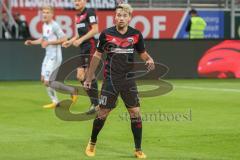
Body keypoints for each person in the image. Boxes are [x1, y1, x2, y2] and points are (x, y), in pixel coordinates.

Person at [83, 3, 155, 159]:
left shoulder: (136, 34)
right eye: (118, 15)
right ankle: (92, 142)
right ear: (114, 17)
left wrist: (148, 59)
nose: (121, 18)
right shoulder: (106, 34)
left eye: (124, 15)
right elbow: (97, 55)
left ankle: (138, 149)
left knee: (135, 113)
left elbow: (142, 53)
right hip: (111, 80)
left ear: (129, 18)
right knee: (103, 113)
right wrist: (89, 77)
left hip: (128, 80)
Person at [24, 6, 67, 109]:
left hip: (55, 56)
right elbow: (43, 39)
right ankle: (71, 92)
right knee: (44, 79)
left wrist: (49, 42)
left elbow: (64, 38)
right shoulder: (44, 25)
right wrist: (32, 42)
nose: (45, 14)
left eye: (47, 12)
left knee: (48, 81)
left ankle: (55, 102)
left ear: (52, 14)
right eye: (43, 12)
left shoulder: (55, 26)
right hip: (48, 56)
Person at [62, 0, 99, 110]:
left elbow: (95, 30)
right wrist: (70, 41)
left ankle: (95, 104)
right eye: (75, 0)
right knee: (80, 76)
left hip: (90, 46)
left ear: (85, 1)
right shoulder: (78, 15)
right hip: (83, 47)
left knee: (88, 75)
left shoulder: (90, 12)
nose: (76, 2)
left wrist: (81, 39)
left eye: (79, 0)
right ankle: (96, 102)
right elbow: (79, 33)